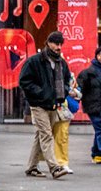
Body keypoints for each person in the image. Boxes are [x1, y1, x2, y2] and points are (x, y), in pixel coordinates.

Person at [18, 31, 72, 179]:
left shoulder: (61, 63)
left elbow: (67, 80)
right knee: (47, 135)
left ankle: (31, 167)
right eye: (56, 43)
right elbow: (24, 81)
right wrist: (42, 94)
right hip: (38, 105)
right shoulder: (35, 61)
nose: (58, 47)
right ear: (48, 43)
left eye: (60, 44)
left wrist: (64, 93)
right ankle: (54, 168)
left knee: (40, 135)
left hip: (54, 105)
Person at [76, 46, 101, 164]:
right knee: (100, 129)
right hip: (93, 106)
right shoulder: (88, 73)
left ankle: (96, 153)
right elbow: (79, 89)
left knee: (99, 130)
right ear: (97, 56)